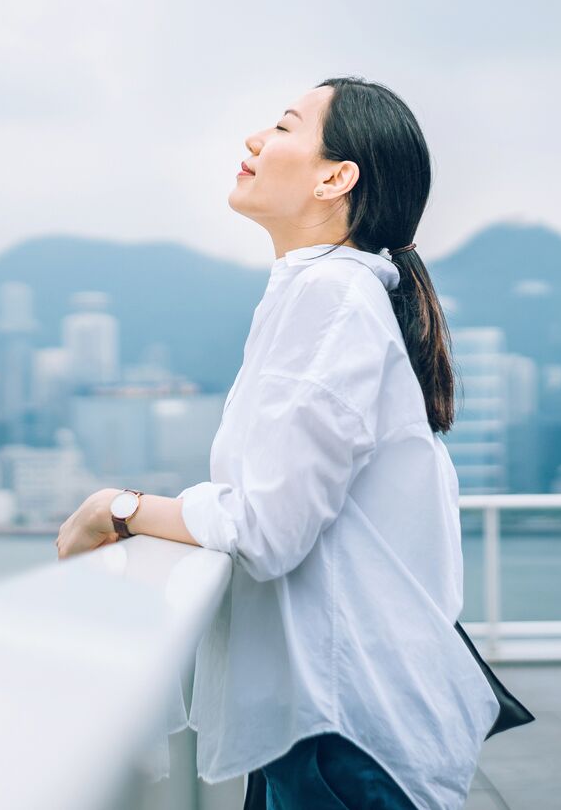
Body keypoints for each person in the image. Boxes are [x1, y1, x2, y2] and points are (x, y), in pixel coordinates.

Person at [56, 77, 498, 809]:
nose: (255, 141)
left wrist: (120, 507)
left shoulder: (333, 297)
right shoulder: (323, 291)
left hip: (342, 734)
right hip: (328, 720)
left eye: (285, 127)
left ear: (336, 176)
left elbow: (267, 528)